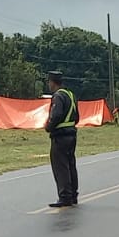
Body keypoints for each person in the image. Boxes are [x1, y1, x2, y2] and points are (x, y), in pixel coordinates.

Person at [44, 71, 79, 207]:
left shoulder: (58, 96)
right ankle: (73, 195)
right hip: (71, 135)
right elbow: (77, 117)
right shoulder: (71, 95)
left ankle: (65, 196)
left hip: (60, 136)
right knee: (71, 165)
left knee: (61, 167)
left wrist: (49, 126)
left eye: (49, 82)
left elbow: (56, 114)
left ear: (53, 82)